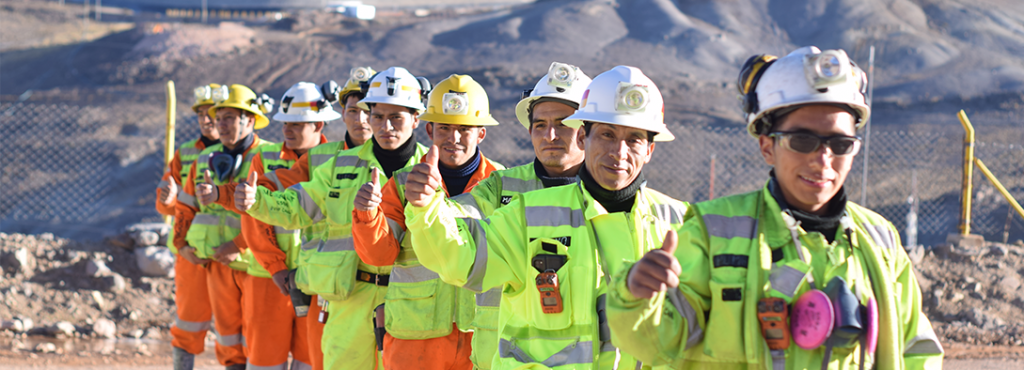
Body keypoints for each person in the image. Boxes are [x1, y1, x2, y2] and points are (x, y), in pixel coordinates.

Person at [607, 46, 945, 369]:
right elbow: (658, 346)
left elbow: (915, 349)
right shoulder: (712, 233)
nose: (823, 160)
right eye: (802, 141)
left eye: (841, 144)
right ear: (767, 146)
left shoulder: (880, 239)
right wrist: (635, 295)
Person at [402, 66, 686, 369]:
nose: (618, 151)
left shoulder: (680, 222)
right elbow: (462, 254)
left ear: (650, 149)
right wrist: (426, 208)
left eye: (634, 139)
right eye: (606, 134)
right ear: (585, 136)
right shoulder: (523, 211)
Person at [235, 67, 431, 369]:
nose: (385, 126)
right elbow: (298, 206)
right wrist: (256, 201)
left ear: (416, 118)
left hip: (414, 300)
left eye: (396, 117)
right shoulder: (340, 165)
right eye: (378, 116)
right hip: (350, 300)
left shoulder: (432, 171)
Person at [441, 62, 591, 369]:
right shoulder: (501, 186)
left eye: (564, 123)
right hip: (501, 356)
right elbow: (455, 218)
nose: (550, 134)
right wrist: (426, 204)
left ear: (587, 129)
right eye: (540, 125)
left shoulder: (606, 195)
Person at [351, 74, 504, 370]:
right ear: (430, 129)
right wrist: (367, 216)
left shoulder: (502, 185)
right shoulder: (402, 184)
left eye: (464, 130)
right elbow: (380, 255)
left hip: (482, 337)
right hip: (415, 337)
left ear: (481, 133)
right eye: (444, 128)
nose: (453, 139)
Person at [175, 84, 275, 370]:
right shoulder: (204, 159)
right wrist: (181, 244)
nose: (221, 124)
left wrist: (238, 245)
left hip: (256, 265)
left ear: (250, 120)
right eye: (219, 118)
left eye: (229, 118)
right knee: (228, 337)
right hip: (218, 263)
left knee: (260, 335)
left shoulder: (269, 157)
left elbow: (273, 213)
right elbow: (185, 205)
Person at [159, 83, 221, 370]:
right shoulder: (184, 154)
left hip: (231, 253)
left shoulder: (252, 153)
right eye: (201, 115)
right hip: (191, 253)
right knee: (188, 322)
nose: (207, 120)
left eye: (213, 113)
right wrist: (167, 201)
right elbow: (169, 206)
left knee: (235, 327)